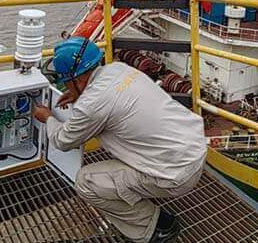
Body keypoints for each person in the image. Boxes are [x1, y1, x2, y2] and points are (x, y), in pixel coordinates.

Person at [33, 37, 206, 243]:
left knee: (85, 182)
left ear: (76, 79)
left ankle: (154, 227)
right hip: (195, 148)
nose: (66, 86)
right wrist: (79, 95)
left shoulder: (91, 105)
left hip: (176, 174)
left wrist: (47, 117)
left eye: (66, 81)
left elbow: (62, 141)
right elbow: (109, 98)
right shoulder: (119, 69)